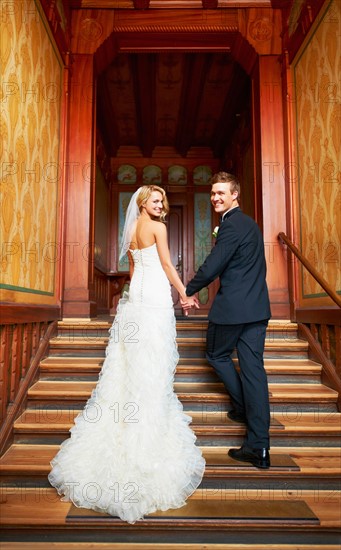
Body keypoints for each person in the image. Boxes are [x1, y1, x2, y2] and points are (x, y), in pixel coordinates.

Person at [48, 185, 205, 523]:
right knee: (154, 361)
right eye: (155, 200)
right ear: (142, 204)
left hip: (137, 302)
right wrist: (184, 295)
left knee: (133, 366)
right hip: (156, 301)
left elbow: (134, 271)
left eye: (162, 200)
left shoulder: (133, 229)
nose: (161, 204)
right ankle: (145, 435)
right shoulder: (159, 227)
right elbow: (165, 262)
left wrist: (131, 297)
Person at [183, 172, 271, 469]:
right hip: (257, 308)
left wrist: (187, 290)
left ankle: (243, 407)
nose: (215, 197)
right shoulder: (249, 224)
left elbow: (214, 265)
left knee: (216, 354)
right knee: (254, 372)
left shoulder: (231, 225)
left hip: (233, 309)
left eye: (221, 193)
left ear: (235, 195)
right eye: (213, 193)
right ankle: (258, 447)